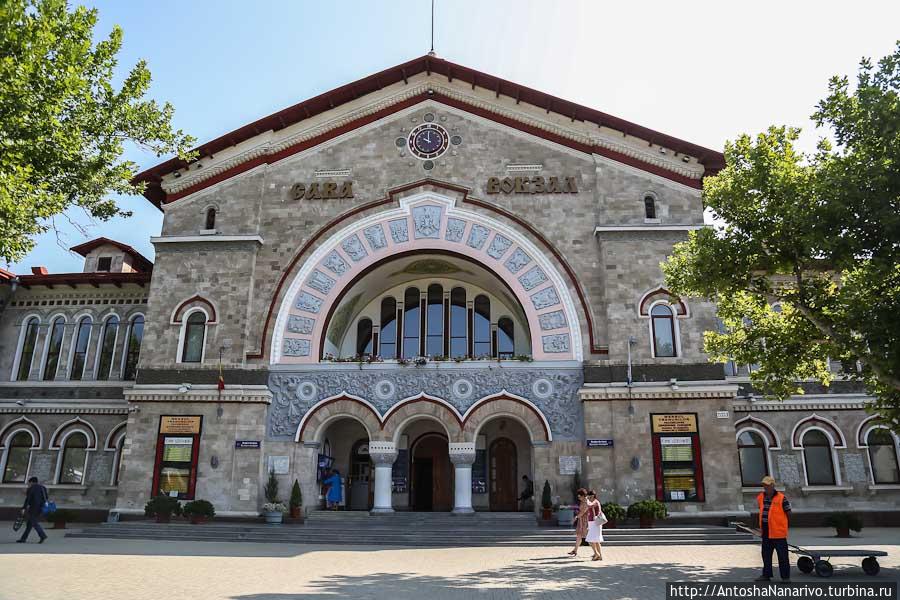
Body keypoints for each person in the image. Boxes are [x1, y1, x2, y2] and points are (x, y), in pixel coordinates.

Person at [755, 475, 791, 582]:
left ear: (772, 485)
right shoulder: (761, 497)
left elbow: (788, 512)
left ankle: (785, 577)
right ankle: (766, 575)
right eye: (764, 485)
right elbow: (761, 511)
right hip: (766, 530)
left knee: (782, 556)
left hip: (778, 532)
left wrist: (782, 524)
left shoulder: (781, 498)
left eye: (767, 485)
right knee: (766, 555)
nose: (765, 487)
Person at [17, 476, 48, 544]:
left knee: (33, 522)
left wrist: (23, 508)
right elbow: (46, 498)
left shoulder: (31, 488)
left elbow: (28, 499)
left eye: (29, 483)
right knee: (29, 524)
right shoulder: (43, 488)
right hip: (41, 508)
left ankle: (42, 535)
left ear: (31, 482)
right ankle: (23, 538)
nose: (28, 484)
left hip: (33, 508)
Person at [568, 488, 588, 557]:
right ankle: (575, 550)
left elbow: (583, 512)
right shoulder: (582, 501)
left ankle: (597, 552)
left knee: (590, 537)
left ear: (583, 496)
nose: (578, 498)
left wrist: (576, 517)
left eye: (579, 496)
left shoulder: (586, 502)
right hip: (581, 521)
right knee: (579, 536)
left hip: (585, 522)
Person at [585, 490, 604, 561]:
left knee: (590, 539)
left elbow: (589, 505)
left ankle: (597, 554)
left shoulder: (595, 502)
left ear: (592, 496)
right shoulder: (595, 501)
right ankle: (600, 556)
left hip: (594, 523)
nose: (588, 497)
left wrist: (586, 500)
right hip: (593, 523)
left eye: (589, 496)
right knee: (596, 540)